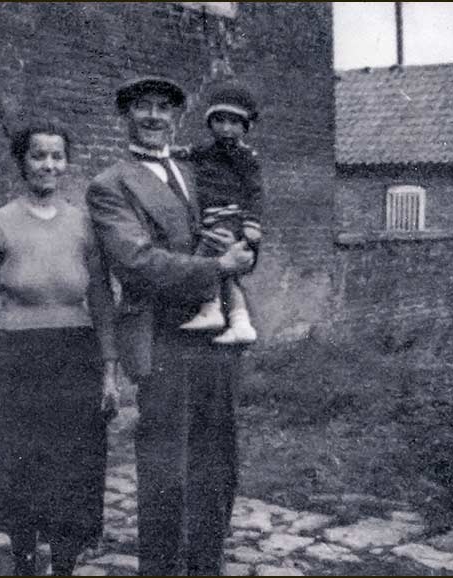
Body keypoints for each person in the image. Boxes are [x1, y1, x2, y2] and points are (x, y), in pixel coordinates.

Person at [86, 76, 256, 576]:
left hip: (215, 334)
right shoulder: (110, 185)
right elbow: (137, 263)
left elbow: (234, 219)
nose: (154, 117)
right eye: (143, 107)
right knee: (167, 469)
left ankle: (206, 566)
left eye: (164, 108)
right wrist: (218, 267)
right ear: (126, 116)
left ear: (177, 119)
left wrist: (244, 253)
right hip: (162, 336)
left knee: (218, 462)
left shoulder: (194, 170)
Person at [0, 121, 119, 576]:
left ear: (66, 163)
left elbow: (102, 301)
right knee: (21, 465)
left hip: (75, 357)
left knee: (72, 465)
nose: (49, 165)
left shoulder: (84, 226)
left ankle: (64, 563)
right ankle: (24, 561)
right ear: (22, 162)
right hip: (16, 360)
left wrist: (109, 372)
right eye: (38, 156)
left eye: (57, 156)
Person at [177, 82, 264, 344]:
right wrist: (177, 152)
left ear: (245, 127)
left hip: (228, 217)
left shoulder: (246, 157)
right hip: (210, 217)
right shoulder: (207, 151)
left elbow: (255, 192)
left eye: (234, 123)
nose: (226, 128)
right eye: (220, 121)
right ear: (210, 123)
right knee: (228, 273)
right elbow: (193, 152)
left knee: (204, 261)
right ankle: (241, 323)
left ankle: (210, 309)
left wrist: (252, 223)